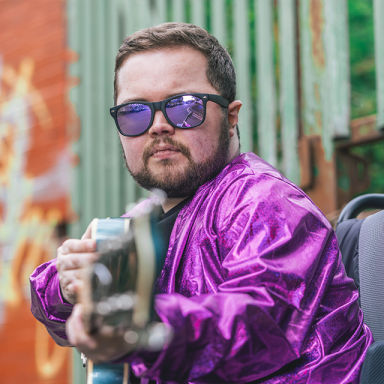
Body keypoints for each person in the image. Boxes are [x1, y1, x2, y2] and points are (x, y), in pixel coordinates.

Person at [30, 23, 372, 383]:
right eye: (135, 112)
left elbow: (255, 324)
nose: (158, 125)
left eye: (184, 107)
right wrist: (66, 287)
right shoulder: (138, 224)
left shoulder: (264, 201)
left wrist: (138, 330)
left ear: (230, 117)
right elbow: (54, 305)